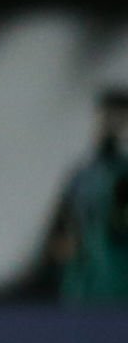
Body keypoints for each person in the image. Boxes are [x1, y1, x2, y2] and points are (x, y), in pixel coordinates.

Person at [50, 89, 128, 302]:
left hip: (118, 290)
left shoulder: (123, 174)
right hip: (82, 291)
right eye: (106, 118)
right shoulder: (80, 176)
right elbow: (61, 234)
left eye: (119, 120)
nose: (111, 127)